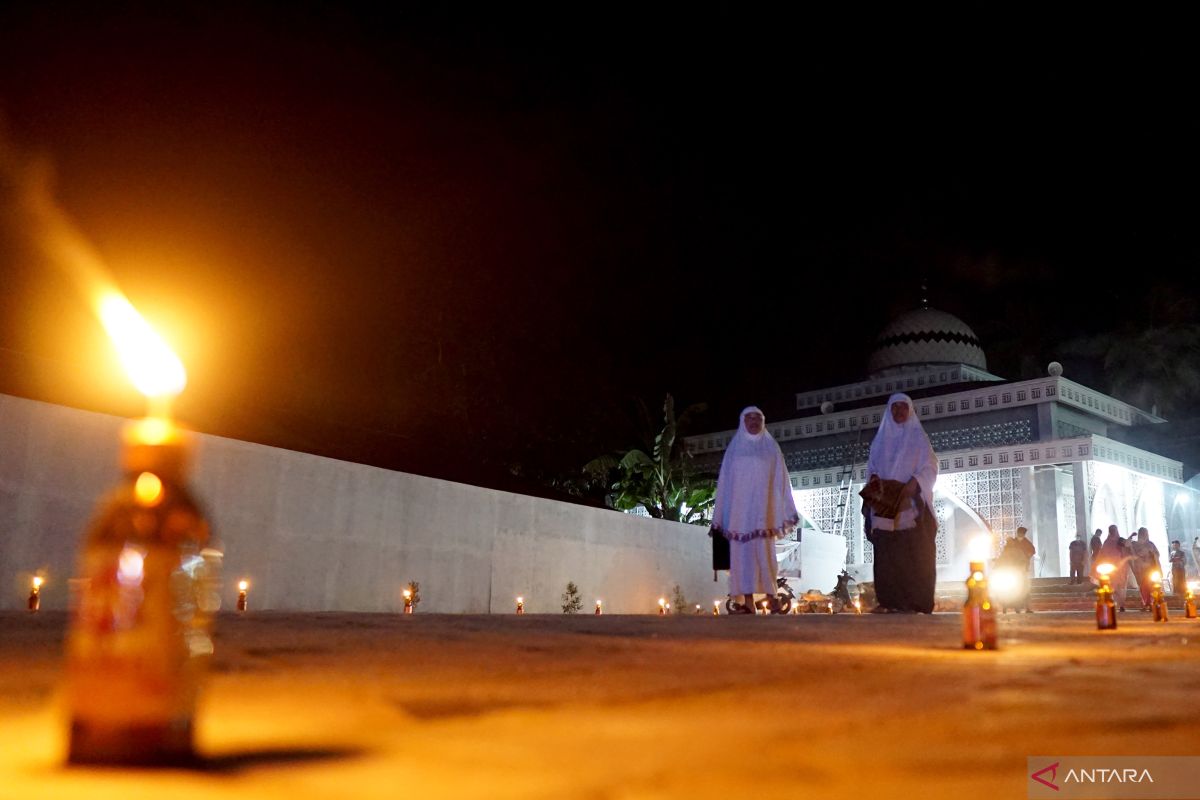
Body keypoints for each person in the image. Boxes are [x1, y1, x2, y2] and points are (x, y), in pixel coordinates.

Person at [710, 406, 799, 614]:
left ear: (763, 421)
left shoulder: (771, 448)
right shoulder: (735, 449)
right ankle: (747, 603)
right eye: (748, 418)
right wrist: (723, 513)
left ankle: (772, 598)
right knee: (742, 558)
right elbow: (725, 484)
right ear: (742, 421)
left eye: (757, 418)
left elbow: (781, 480)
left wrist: (783, 508)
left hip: (764, 513)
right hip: (740, 515)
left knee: (765, 556)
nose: (753, 422)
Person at [862, 393, 938, 614]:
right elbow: (872, 469)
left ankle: (916, 603)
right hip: (885, 507)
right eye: (894, 408)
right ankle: (889, 602)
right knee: (887, 556)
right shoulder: (880, 440)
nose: (899, 412)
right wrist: (876, 483)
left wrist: (914, 484)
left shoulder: (918, 439)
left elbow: (930, 467)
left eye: (903, 407)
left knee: (914, 555)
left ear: (910, 410)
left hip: (910, 507)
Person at [1092, 525, 1132, 612]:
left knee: (1120, 587)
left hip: (1120, 568)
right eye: (1112, 530)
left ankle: (1121, 605)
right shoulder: (1107, 542)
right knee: (1112, 586)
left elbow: (1127, 544)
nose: (1113, 532)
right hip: (1110, 569)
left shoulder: (1119, 540)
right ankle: (1113, 604)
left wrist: (1131, 537)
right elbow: (1102, 554)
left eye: (1114, 530)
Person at [996, 526, 1036, 612]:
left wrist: (1026, 559)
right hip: (1010, 571)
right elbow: (1001, 558)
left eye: (1022, 533)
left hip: (1021, 570)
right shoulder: (1010, 546)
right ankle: (1005, 605)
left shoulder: (1024, 545)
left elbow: (1030, 552)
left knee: (1025, 589)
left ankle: (1027, 608)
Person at [1129, 527, 1161, 610]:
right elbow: (1129, 548)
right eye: (1142, 533)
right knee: (1143, 587)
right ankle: (1145, 603)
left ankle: (1152, 603)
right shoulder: (1134, 544)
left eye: (1144, 533)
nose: (1143, 535)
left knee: (1151, 586)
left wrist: (1153, 553)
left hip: (1150, 568)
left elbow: (1157, 554)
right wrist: (1131, 536)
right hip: (1141, 569)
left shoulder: (1150, 544)